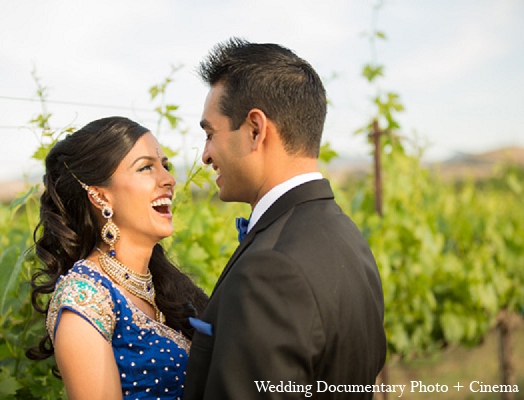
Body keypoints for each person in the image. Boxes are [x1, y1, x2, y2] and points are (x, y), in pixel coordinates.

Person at [183, 38, 386, 399]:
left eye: (210, 134)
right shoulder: (347, 236)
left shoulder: (271, 269)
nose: (205, 155)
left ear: (255, 130)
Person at [27, 116, 208, 399]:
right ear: (100, 197)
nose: (169, 180)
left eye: (166, 165)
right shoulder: (84, 299)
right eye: (146, 167)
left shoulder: (165, 286)